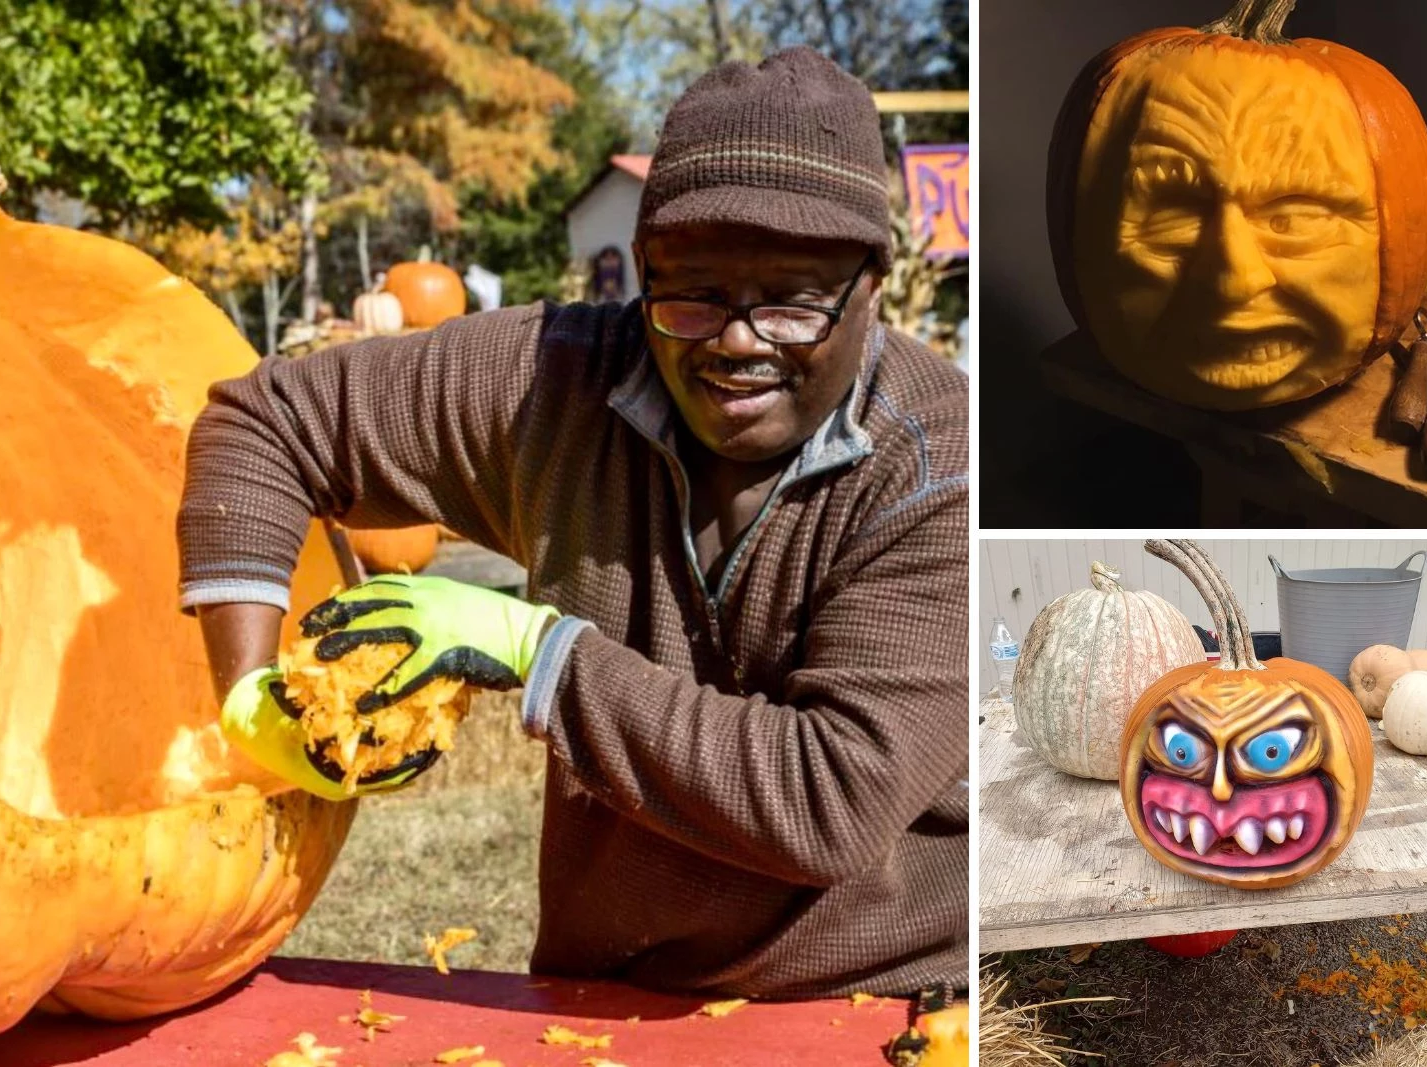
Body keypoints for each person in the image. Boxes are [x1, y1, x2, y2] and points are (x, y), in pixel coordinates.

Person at [179, 46, 968, 1000]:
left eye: (796, 299)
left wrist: (540, 652)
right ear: (642, 270)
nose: (738, 340)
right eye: (693, 292)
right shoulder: (555, 381)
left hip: (880, 998)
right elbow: (262, 420)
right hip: (609, 991)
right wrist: (251, 696)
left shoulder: (939, 465)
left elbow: (828, 800)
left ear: (872, 285)